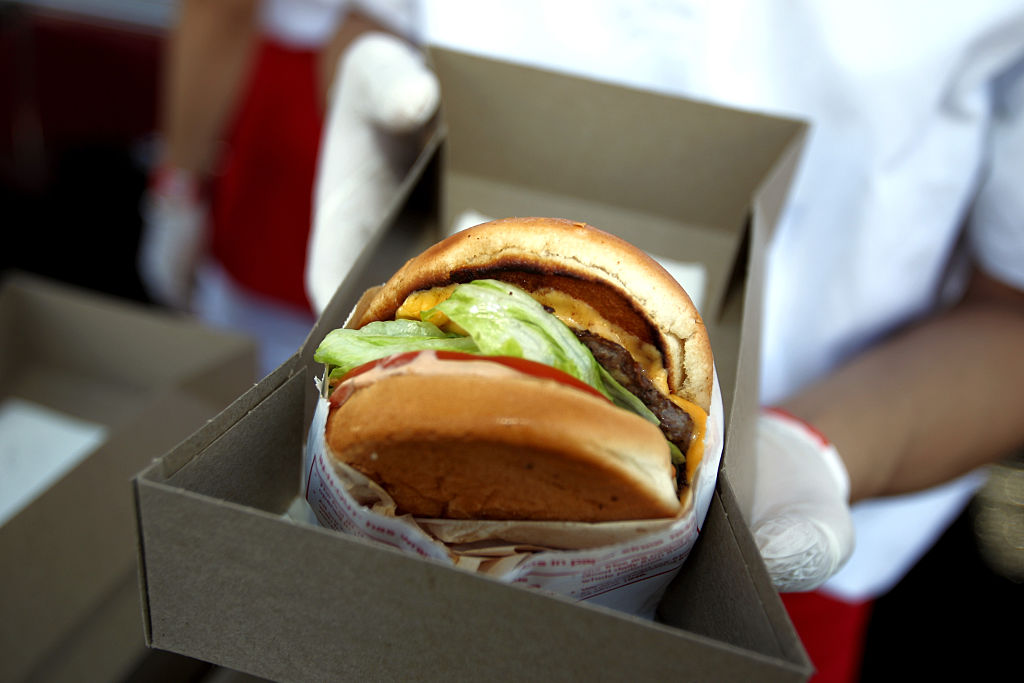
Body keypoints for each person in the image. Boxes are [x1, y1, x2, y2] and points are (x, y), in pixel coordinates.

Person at [147, 2, 1024, 681]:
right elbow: (374, 18)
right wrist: (367, 84)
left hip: (771, 574)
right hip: (386, 513)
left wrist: (817, 450)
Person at [138, 0, 421, 375]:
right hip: (403, 134)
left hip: (307, 134)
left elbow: (219, 11)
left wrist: (177, 190)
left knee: (247, 371)